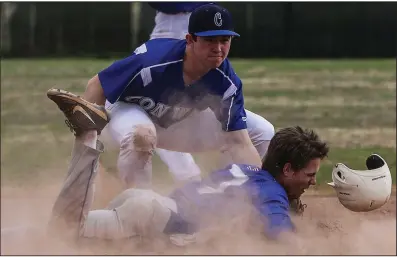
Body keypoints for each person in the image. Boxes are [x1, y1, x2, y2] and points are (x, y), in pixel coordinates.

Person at [46, 4, 274, 192]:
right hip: (126, 113)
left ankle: (233, 200)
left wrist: (266, 192)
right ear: (190, 40)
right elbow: (97, 84)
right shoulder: (152, 61)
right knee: (142, 136)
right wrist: (88, 142)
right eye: (209, 40)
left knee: (262, 131)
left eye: (224, 40)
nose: (218, 48)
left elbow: (239, 142)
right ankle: (135, 208)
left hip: (177, 122)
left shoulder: (227, 81)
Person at [46, 126, 329, 245]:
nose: (313, 182)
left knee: (74, 237)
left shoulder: (249, 171)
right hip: (150, 217)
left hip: (147, 205)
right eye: (309, 174)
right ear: (288, 169)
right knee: (65, 232)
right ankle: (87, 140)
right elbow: (284, 239)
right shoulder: (271, 194)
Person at [145, 2, 275, 185]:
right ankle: (188, 179)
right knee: (164, 110)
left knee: (260, 131)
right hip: (170, 26)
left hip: (208, 24)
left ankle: (226, 187)